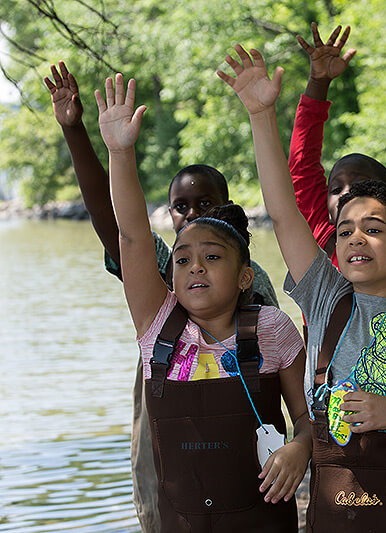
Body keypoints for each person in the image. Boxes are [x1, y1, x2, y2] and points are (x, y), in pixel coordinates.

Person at [218, 45, 386, 531]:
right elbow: (284, 209)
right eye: (347, 229)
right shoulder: (326, 300)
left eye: (374, 228)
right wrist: (261, 115)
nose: (356, 237)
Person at [43, 62, 282, 533]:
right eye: (181, 207)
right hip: (169, 431)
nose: (192, 214)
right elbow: (117, 229)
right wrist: (76, 132)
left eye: (206, 204)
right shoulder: (159, 267)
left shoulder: (256, 286)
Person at [93, 73, 310, 531]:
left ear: (245, 276)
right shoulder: (158, 324)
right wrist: (119, 152)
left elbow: (309, 420)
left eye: (212, 257)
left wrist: (300, 449)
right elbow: (130, 235)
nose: (195, 267)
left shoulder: (272, 328)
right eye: (184, 259)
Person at [288, 23, 386, 305]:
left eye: (361, 186)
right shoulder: (324, 243)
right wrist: (318, 83)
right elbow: (301, 167)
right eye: (336, 189)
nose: (347, 195)